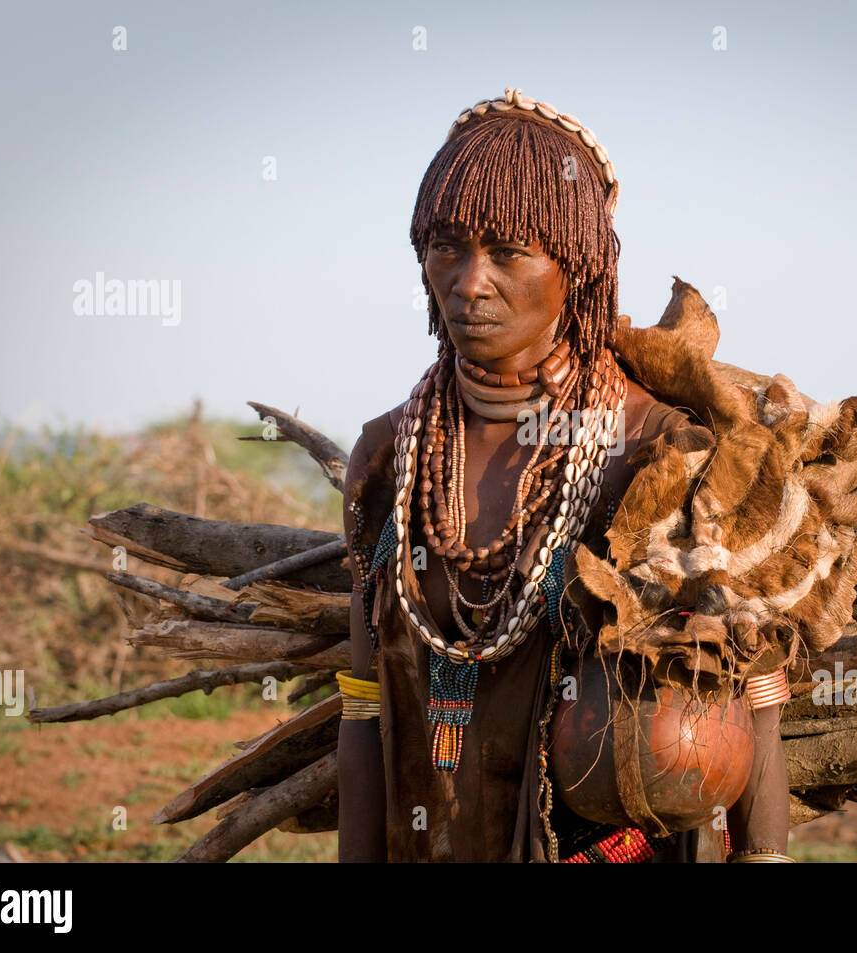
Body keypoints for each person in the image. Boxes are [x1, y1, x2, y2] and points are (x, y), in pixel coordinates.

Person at [336, 88, 792, 862]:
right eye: (447, 245)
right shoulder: (389, 457)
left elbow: (755, 709)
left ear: (575, 266)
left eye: (509, 251)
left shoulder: (662, 453)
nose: (470, 280)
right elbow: (363, 712)